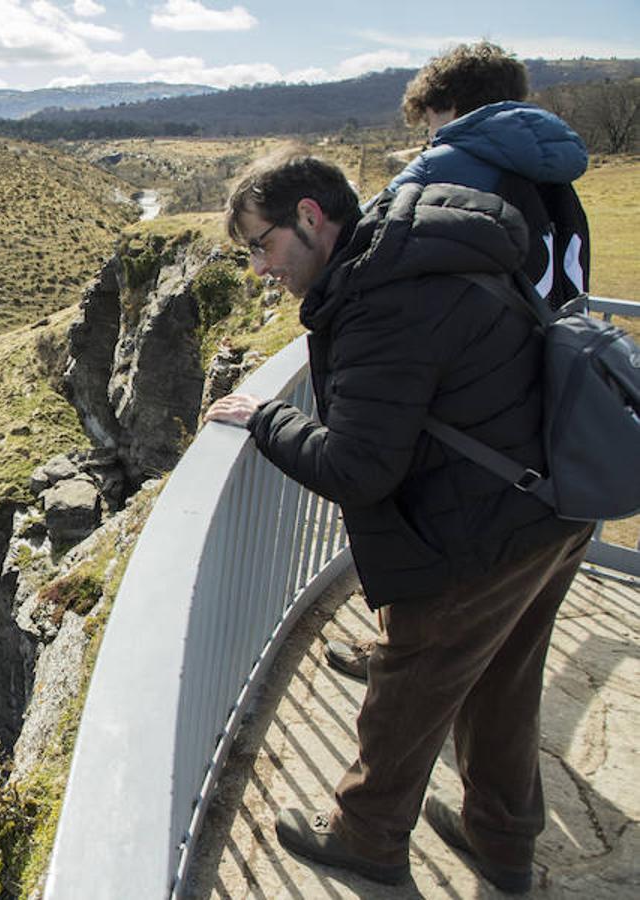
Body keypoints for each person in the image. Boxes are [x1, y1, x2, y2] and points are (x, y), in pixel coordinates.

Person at [206, 151, 593, 891]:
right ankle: (502, 842)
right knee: (503, 683)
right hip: (551, 504)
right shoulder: (413, 252)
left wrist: (268, 419)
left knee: (408, 687)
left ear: (311, 218)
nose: (259, 267)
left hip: (483, 531)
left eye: (262, 245)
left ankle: (365, 838)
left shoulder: (382, 301)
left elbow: (357, 467)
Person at [327, 41, 589, 683]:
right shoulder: (555, 174)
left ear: (448, 105)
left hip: (467, 410)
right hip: (544, 407)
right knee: (513, 639)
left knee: (433, 549)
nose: (426, 135)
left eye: (428, 120)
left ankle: (402, 657)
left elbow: (364, 257)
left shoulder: (452, 166)